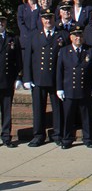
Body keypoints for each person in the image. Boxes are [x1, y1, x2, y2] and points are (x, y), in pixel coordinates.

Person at [23, 9, 64, 147]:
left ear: (54, 18)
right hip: (38, 78)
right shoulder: (34, 36)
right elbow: (28, 57)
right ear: (41, 20)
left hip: (55, 79)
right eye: (45, 18)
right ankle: (38, 135)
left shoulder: (62, 35)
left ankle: (57, 134)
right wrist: (27, 78)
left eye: (50, 18)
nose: (48, 21)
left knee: (57, 108)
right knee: (38, 108)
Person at [56, 26, 92, 149]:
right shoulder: (64, 51)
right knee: (68, 116)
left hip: (85, 88)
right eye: (75, 36)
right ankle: (67, 139)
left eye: (80, 35)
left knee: (87, 116)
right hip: (69, 89)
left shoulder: (89, 51)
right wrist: (59, 88)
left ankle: (88, 138)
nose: (78, 38)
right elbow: (59, 71)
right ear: (71, 37)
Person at [0, 12, 22, 147]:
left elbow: (18, 60)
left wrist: (19, 76)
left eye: (2, 21)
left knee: (7, 111)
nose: (0, 23)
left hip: (7, 81)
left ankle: (6, 137)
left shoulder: (12, 39)